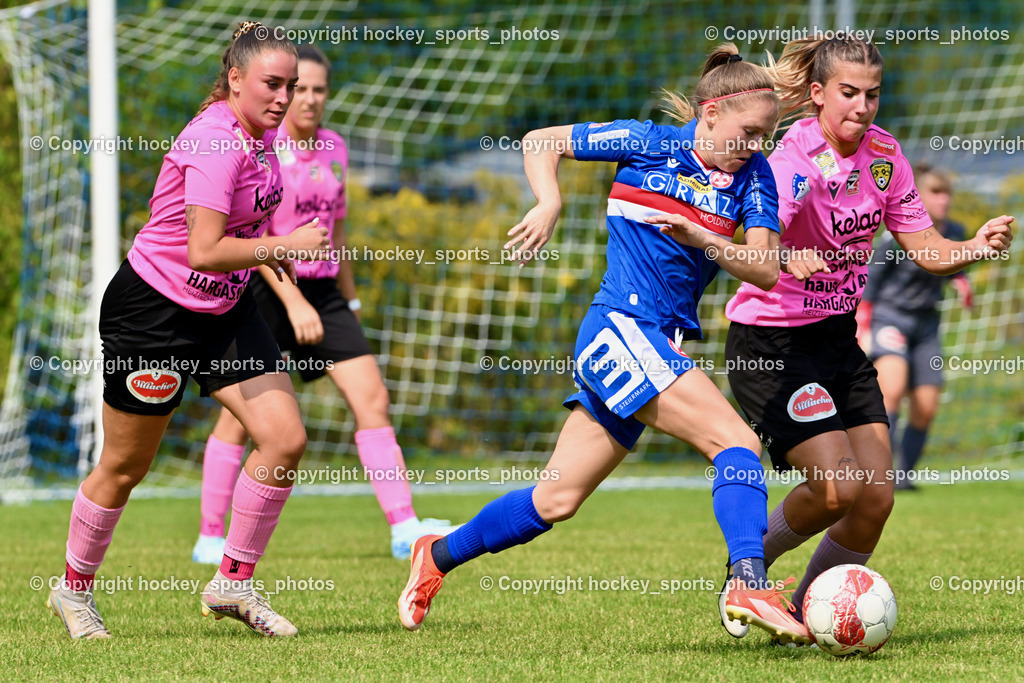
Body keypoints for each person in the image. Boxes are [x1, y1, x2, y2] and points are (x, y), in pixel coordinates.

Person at [398, 44, 815, 645]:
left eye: (766, 135)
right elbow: (541, 140)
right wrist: (551, 200)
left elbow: (765, 268)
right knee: (737, 443)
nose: (756, 145)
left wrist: (702, 237)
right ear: (711, 111)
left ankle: (436, 554)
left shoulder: (755, 178)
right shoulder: (647, 143)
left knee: (556, 499)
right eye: (749, 132)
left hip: (654, 344)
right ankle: (748, 581)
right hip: (619, 328)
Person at [721, 36, 1013, 641]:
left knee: (876, 498)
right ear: (817, 94)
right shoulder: (790, 160)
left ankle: (804, 613)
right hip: (771, 343)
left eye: (872, 94)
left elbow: (925, 247)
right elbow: (747, 249)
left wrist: (973, 249)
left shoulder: (884, 155)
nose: (862, 106)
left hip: (836, 342)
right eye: (849, 93)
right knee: (837, 488)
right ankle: (745, 575)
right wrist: (783, 253)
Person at [46, 22, 330, 639]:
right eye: (272, 85)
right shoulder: (217, 141)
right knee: (126, 465)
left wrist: (267, 253)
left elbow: (237, 231)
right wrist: (284, 244)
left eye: (293, 86)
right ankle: (72, 591)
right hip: (154, 315)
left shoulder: (258, 135)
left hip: (225, 311)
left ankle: (232, 581)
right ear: (235, 80)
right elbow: (202, 250)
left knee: (283, 439)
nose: (284, 99)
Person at [191, 45, 457, 566]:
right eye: (297, 89)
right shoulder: (261, 149)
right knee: (240, 420)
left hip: (325, 290)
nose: (306, 99)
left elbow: (339, 230)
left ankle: (404, 527)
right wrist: (292, 304)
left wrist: (349, 298)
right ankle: (208, 535)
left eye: (316, 89)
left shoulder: (335, 147)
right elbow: (256, 234)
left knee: (371, 398)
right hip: (267, 283)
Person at [857, 164, 971, 490]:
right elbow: (871, 281)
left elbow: (952, 263)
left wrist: (962, 282)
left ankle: (903, 477)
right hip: (889, 317)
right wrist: (861, 324)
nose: (943, 200)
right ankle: (881, 473)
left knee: (926, 406)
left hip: (926, 325)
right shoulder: (896, 236)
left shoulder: (957, 231)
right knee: (890, 391)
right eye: (936, 192)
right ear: (919, 197)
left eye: (947, 193)